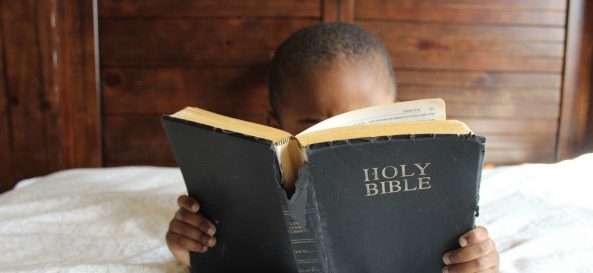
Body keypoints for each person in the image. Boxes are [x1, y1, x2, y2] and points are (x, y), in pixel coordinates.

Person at [165, 22, 500, 273]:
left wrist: (477, 261)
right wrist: (189, 247)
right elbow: (221, 252)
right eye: (313, 125)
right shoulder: (251, 191)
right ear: (274, 124)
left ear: (396, 112)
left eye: (366, 120)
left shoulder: (426, 181)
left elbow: (458, 251)